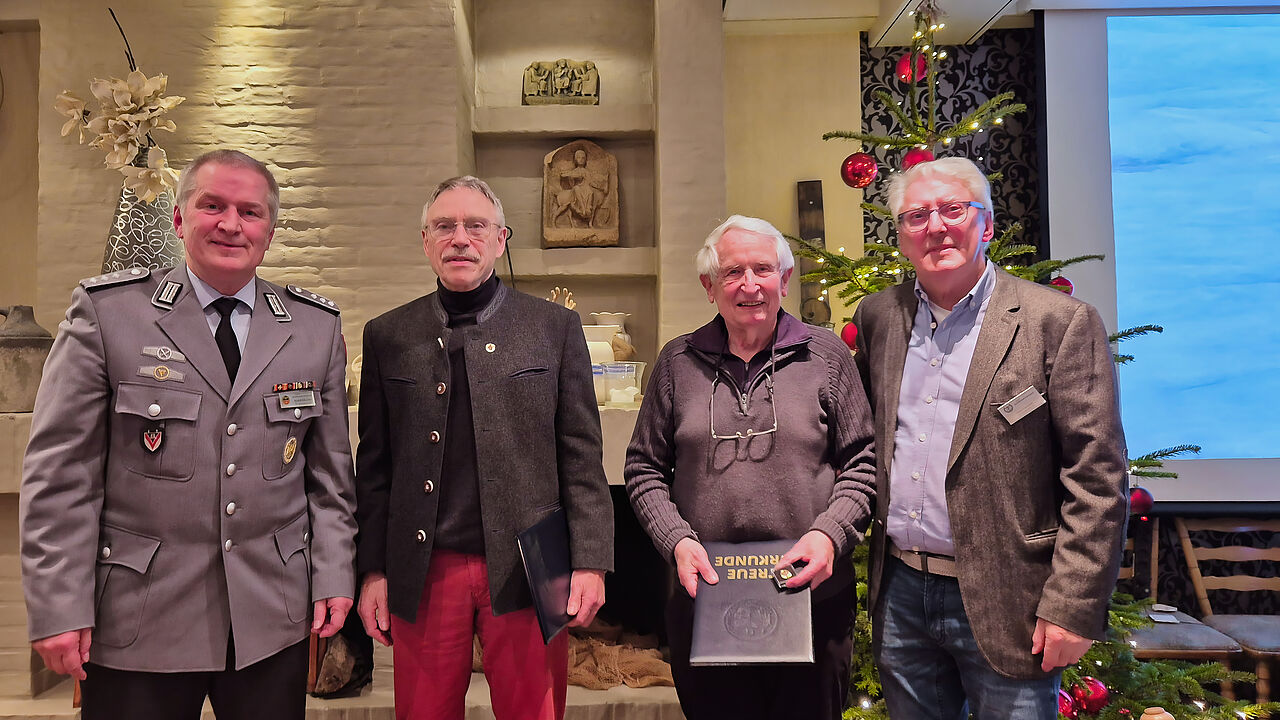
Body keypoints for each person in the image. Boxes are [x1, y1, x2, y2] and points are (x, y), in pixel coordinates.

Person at [19, 149, 357, 720]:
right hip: (139, 616)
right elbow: (61, 475)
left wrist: (334, 574)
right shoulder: (109, 314)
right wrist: (58, 604)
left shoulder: (313, 328)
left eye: (250, 212)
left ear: (270, 232)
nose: (231, 224)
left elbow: (330, 479)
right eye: (212, 206)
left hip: (268, 617)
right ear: (179, 219)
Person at [852, 157, 1129, 719]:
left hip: (1014, 598)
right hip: (901, 592)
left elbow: (1097, 476)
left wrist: (1073, 604)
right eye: (917, 216)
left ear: (987, 225)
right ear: (901, 236)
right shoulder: (879, 317)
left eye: (953, 210)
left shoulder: (1058, 322)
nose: (935, 226)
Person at [355, 176, 614, 720]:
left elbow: (582, 458)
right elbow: (374, 469)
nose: (460, 239)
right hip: (425, 566)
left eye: (476, 226)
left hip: (530, 563)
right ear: (425, 241)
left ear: (500, 239)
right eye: (444, 226)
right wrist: (372, 570)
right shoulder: (387, 335)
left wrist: (590, 561)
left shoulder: (554, 328)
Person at [625, 215, 876, 720]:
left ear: (784, 279)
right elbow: (644, 469)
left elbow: (863, 463)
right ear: (709, 286)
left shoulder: (827, 356)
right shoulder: (677, 363)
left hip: (812, 600)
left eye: (763, 269)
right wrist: (676, 540)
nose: (749, 285)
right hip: (707, 599)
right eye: (732, 272)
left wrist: (829, 535)